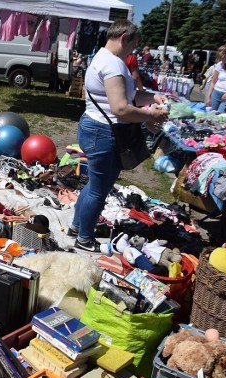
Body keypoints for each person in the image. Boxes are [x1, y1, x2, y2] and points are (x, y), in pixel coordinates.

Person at [68, 20, 168, 252]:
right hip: (104, 132)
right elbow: (121, 108)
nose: (134, 51)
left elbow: (128, 97)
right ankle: (84, 238)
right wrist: (150, 115)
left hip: (94, 126)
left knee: (94, 184)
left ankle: (76, 226)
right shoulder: (113, 65)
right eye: (134, 45)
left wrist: (153, 97)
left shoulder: (102, 58)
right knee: (98, 190)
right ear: (124, 38)